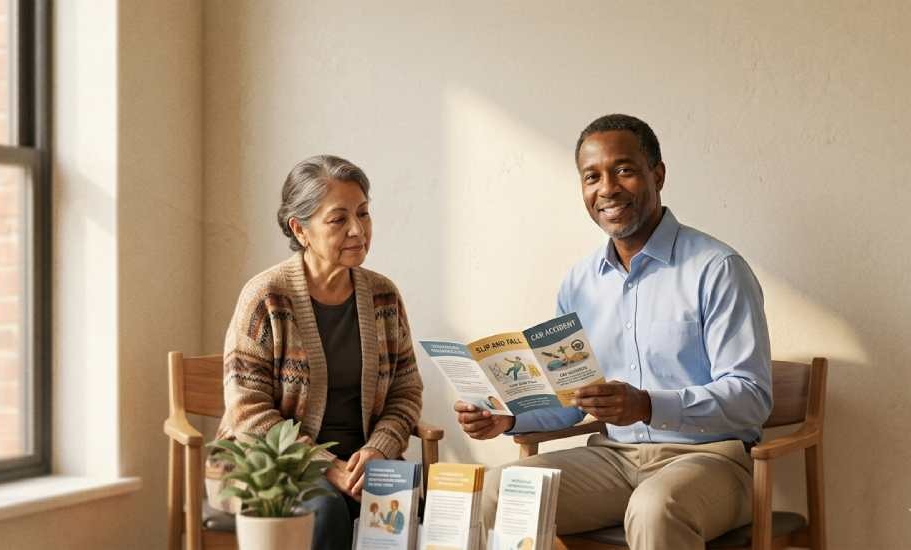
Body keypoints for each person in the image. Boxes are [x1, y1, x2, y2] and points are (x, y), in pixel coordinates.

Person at [454, 114, 772, 550]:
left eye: (623, 170)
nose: (607, 189)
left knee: (654, 508)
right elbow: (569, 401)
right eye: (592, 177)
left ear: (657, 175)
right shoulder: (579, 283)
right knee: (498, 490)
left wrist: (646, 405)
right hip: (614, 459)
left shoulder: (717, 269)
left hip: (712, 460)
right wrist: (508, 417)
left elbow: (752, 398)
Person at [209, 155, 423, 550]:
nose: (358, 229)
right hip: (271, 464)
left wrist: (379, 449)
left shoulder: (383, 296)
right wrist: (327, 467)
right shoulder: (266, 296)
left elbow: (406, 392)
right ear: (300, 229)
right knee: (325, 509)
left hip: (364, 463)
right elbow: (248, 413)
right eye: (338, 219)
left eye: (363, 213)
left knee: (417, 506)